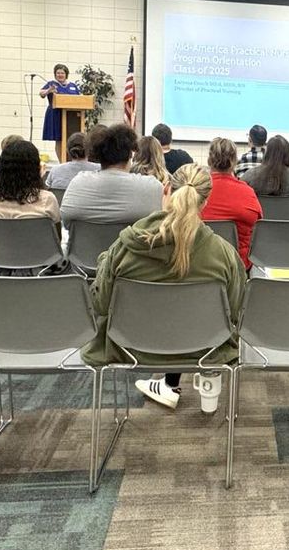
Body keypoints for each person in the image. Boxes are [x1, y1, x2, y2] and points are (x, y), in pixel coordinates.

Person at [83, 164, 247, 410]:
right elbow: (235, 313)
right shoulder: (223, 254)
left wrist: (104, 262)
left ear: (167, 189)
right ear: (205, 202)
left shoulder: (124, 249)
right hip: (205, 350)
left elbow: (99, 304)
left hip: (127, 347)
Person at [61, 124, 162, 226]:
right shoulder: (152, 187)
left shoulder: (78, 183)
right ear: (130, 154)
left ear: (97, 155)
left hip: (84, 241)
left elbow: (65, 220)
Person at [201, 137, 263, 269]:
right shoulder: (247, 193)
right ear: (234, 162)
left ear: (209, 161)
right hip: (238, 265)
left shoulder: (195, 192)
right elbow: (258, 225)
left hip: (199, 263)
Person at [0, 139, 61, 234]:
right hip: (35, 248)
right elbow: (57, 238)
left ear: (1, 168)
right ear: (35, 169)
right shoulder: (47, 200)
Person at [241, 135, 289, 213]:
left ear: (267, 153)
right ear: (288, 153)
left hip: (260, 224)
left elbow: (240, 201)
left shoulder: (250, 175)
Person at [39, 64, 81, 163]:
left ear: (66, 74)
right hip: (55, 114)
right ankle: (61, 162)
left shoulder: (73, 86)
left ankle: (70, 160)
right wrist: (49, 90)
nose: (60, 75)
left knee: (70, 137)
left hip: (71, 116)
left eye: (62, 73)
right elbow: (41, 94)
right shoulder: (51, 84)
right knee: (59, 139)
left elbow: (79, 99)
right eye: (58, 73)